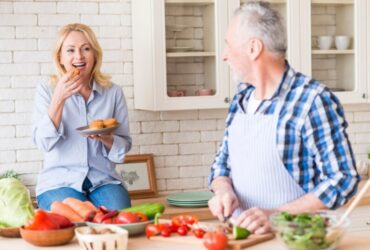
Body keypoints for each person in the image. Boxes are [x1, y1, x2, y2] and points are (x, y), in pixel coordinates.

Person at [208, 1, 359, 234]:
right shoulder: (241, 98)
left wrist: (279, 215)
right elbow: (222, 164)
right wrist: (222, 190)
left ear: (253, 48)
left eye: (228, 45)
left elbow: (342, 179)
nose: (224, 55)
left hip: (297, 239)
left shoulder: (311, 100)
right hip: (242, 238)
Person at [32, 23, 132, 211]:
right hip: (59, 181)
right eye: (70, 50)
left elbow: (123, 147)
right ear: (60, 58)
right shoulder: (47, 90)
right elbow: (44, 143)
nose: (79, 56)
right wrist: (59, 98)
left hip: (103, 180)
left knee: (119, 218)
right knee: (74, 220)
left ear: (94, 55)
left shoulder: (113, 92)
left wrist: (107, 138)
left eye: (86, 49)